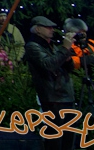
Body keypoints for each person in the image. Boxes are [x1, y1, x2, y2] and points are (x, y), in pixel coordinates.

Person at [24, 16, 76, 150]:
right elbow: (48, 65)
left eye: (52, 27)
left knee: (69, 136)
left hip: (65, 95)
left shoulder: (51, 46)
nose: (52, 30)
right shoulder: (33, 46)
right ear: (37, 29)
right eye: (48, 27)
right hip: (52, 97)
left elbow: (68, 68)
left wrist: (68, 57)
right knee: (55, 136)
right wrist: (64, 49)